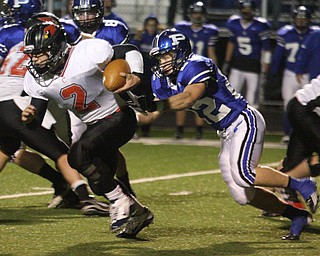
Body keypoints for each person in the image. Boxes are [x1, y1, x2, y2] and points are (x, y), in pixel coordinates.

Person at [140, 28, 318, 240]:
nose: (163, 62)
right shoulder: (161, 79)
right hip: (226, 131)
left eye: (166, 56)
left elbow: (187, 98)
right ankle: (296, 214)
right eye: (160, 57)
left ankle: (300, 183)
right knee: (243, 194)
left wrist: (154, 104)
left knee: (245, 174)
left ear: (180, 52)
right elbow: (148, 116)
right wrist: (128, 102)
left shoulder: (197, 64)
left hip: (243, 120)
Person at [22, 20, 153, 238]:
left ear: (56, 47)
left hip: (118, 116)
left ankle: (121, 201)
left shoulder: (86, 52)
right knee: (100, 181)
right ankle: (138, 211)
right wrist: (30, 115)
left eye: (40, 53)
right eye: (32, 55)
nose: (35, 60)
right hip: (95, 125)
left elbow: (129, 50)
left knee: (77, 154)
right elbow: (37, 108)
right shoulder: (36, 78)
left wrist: (136, 75)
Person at [0, 1, 109, 215]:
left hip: (5, 99)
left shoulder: (16, 46)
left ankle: (63, 186)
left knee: (5, 149)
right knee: (60, 153)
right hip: (15, 103)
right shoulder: (47, 49)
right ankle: (86, 199)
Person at [71, 0, 136, 196]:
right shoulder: (68, 32)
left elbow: (121, 63)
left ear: (99, 12)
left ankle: (122, 187)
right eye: (80, 14)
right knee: (76, 144)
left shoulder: (114, 29)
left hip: (106, 92)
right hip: (80, 94)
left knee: (106, 144)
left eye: (89, 13)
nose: (85, 18)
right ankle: (87, 188)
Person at [270, 6, 319, 144]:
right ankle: (287, 133)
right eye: (299, 18)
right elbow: (278, 56)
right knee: (289, 104)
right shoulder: (285, 33)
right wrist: (273, 72)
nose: (301, 21)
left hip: (309, 74)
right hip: (290, 72)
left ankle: (306, 134)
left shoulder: (314, 34)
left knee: (311, 106)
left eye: (304, 18)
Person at [173, 1, 219, 139]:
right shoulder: (181, 28)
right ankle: (179, 129)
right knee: (181, 98)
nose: (197, 16)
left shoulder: (209, 31)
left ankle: (199, 130)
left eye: (200, 13)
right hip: (184, 68)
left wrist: (214, 69)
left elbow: (211, 52)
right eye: (195, 13)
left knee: (201, 100)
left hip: (200, 69)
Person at [223, 0, 271, 109]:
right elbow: (231, 43)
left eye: (249, 8)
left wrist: (265, 66)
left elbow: (266, 49)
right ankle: (231, 123)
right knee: (231, 96)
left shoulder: (261, 26)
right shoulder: (234, 23)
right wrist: (227, 61)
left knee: (252, 100)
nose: (246, 11)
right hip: (237, 65)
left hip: (253, 67)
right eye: (244, 8)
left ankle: (253, 124)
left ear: (254, 10)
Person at [131, 15, 160, 137]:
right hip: (141, 75)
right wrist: (137, 37)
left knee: (150, 102)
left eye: (154, 25)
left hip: (153, 76)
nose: (151, 28)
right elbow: (132, 49)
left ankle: (146, 128)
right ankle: (135, 127)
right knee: (137, 101)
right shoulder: (141, 38)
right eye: (149, 25)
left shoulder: (158, 39)